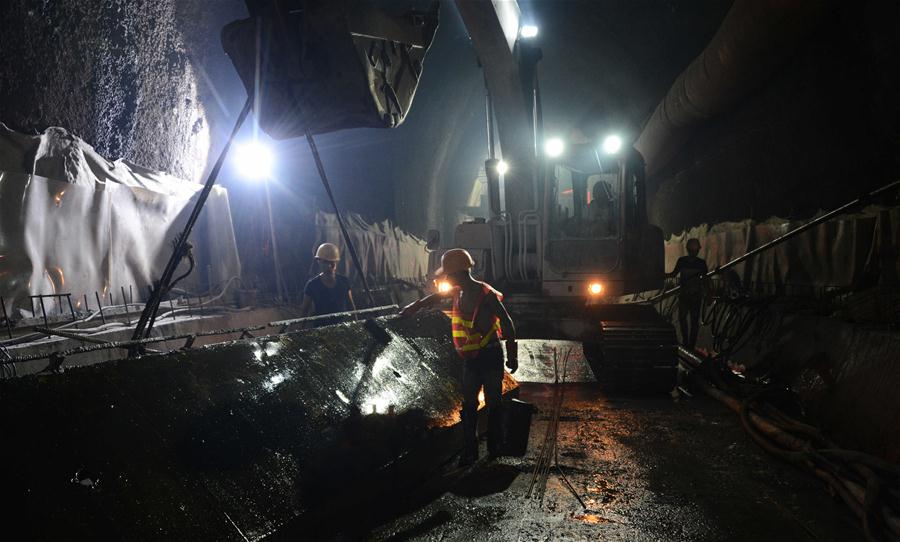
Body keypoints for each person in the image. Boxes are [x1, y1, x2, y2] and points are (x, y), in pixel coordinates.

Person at [399, 248, 518, 466]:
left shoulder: (485, 295)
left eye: (449, 274)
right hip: (471, 359)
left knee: (493, 402)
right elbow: (434, 298)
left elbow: (507, 322)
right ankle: (470, 452)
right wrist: (413, 307)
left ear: (458, 273)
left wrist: (512, 354)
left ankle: (494, 448)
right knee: (469, 404)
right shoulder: (458, 292)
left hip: (491, 355)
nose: (447, 277)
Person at [300, 243, 356, 326]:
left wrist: (357, 324)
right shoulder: (312, 285)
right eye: (325, 262)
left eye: (332, 262)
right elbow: (304, 312)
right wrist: (300, 331)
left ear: (336, 262)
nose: (329, 266)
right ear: (319, 262)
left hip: (342, 327)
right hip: (321, 328)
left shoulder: (344, 282)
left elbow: (351, 306)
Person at [666, 238, 708, 349]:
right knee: (690, 321)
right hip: (691, 296)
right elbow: (705, 281)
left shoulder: (683, 261)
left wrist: (662, 274)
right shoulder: (701, 263)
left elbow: (673, 274)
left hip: (688, 296)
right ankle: (689, 344)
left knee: (686, 320)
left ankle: (687, 344)